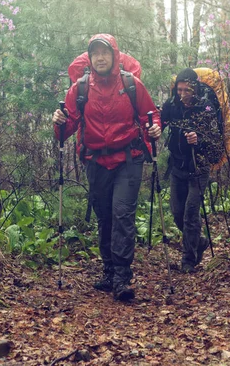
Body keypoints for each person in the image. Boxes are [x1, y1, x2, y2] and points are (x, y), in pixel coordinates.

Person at [52, 34, 161, 301]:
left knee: (122, 214)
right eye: (95, 53)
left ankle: (122, 277)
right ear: (89, 59)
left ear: (114, 56)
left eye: (105, 52)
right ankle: (109, 270)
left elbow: (151, 115)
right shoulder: (80, 88)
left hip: (128, 158)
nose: (100, 57)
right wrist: (58, 121)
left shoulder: (130, 84)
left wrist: (155, 129)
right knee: (105, 216)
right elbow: (66, 127)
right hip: (96, 160)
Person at [160, 68, 213, 273]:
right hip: (177, 166)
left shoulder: (205, 107)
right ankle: (198, 242)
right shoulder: (171, 105)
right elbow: (160, 122)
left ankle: (188, 260)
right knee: (177, 212)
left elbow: (215, 139)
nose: (181, 95)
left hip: (199, 167)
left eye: (186, 90)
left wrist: (198, 139)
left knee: (191, 213)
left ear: (194, 89)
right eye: (178, 90)